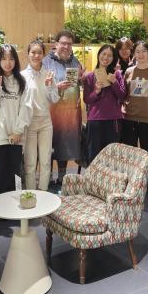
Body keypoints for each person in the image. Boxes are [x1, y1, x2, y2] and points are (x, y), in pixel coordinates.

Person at [0, 45, 32, 196]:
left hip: (15, 137)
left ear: (15, 61)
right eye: (4, 59)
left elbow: (26, 107)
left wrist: (17, 131)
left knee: (15, 174)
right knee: (1, 174)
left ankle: (15, 206)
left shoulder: (22, 81)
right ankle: (0, 209)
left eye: (11, 58)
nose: (7, 62)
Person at [121, 40, 148, 187]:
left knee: (147, 152)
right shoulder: (128, 71)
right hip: (129, 118)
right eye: (137, 52)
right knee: (130, 152)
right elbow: (124, 94)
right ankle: (130, 181)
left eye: (143, 51)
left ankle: (145, 181)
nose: (140, 54)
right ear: (134, 54)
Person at [42, 29, 83, 185]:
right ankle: (46, 178)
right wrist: (55, 87)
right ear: (56, 44)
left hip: (69, 113)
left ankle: (61, 178)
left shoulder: (76, 62)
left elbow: (79, 84)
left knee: (64, 144)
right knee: (48, 145)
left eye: (69, 44)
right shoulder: (46, 62)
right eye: (63, 43)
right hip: (49, 111)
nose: (66, 47)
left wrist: (83, 79)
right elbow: (39, 86)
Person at [22, 40, 60, 191]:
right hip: (29, 123)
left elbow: (55, 98)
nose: (36, 56)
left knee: (45, 162)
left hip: (45, 122)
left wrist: (50, 85)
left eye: (39, 53)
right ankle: (30, 195)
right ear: (28, 54)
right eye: (33, 52)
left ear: (43, 55)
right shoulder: (21, 76)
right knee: (30, 163)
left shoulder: (48, 74)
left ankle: (43, 194)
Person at [83, 44, 126, 163]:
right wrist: (96, 91)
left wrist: (114, 83)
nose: (106, 58)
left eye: (110, 56)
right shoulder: (90, 76)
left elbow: (122, 96)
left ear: (114, 59)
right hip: (95, 120)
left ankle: (111, 181)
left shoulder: (117, 75)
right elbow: (87, 99)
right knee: (94, 155)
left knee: (112, 156)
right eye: (104, 54)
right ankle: (93, 181)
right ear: (99, 55)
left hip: (114, 120)